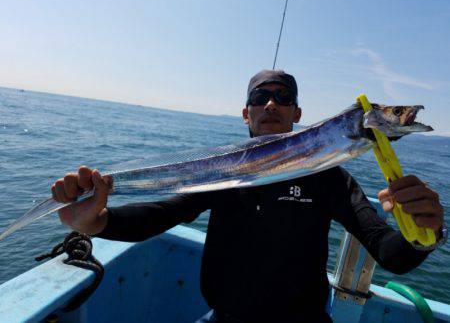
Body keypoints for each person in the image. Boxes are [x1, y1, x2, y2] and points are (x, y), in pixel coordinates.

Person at [52, 70, 446, 322]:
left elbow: (389, 251)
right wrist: (97, 221)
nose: (270, 103)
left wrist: (421, 234)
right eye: (260, 97)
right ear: (246, 113)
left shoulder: (330, 179)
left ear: (297, 112)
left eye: (282, 96)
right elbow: (161, 213)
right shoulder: (222, 171)